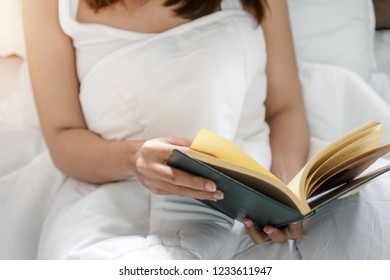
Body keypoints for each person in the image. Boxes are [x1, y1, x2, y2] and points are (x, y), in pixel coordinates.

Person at [21, 0, 390, 260]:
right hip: (122, 192)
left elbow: (285, 108)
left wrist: (283, 196)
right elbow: (63, 137)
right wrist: (136, 158)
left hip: (253, 187)